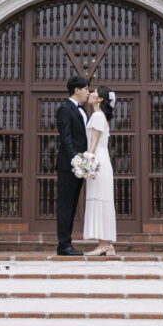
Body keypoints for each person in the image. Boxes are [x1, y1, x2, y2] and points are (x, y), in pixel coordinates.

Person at [55, 74, 90, 256]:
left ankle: (67, 243)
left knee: (73, 204)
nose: (88, 92)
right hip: (68, 166)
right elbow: (66, 139)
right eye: (85, 89)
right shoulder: (64, 109)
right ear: (76, 90)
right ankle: (64, 245)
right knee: (65, 205)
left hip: (80, 165)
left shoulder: (83, 110)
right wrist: (77, 163)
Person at [83, 84, 117, 256]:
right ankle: (107, 244)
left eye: (94, 92)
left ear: (101, 98)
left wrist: (85, 163)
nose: (90, 93)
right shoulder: (101, 116)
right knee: (104, 200)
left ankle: (104, 244)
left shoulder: (97, 115)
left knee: (101, 199)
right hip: (103, 160)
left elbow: (94, 143)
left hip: (98, 160)